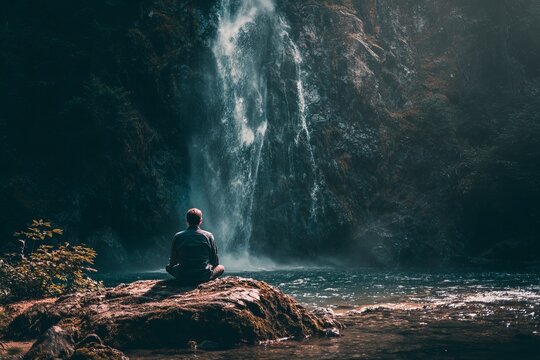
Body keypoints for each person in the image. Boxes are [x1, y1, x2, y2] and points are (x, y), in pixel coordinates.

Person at [166, 208, 225, 285]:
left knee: (168, 267)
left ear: (187, 221)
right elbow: (215, 262)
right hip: (203, 276)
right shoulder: (208, 236)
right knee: (221, 267)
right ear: (200, 221)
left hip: (183, 276)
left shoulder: (178, 236)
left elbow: (173, 262)